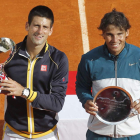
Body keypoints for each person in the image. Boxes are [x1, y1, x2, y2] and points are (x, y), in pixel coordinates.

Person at [0, 5, 69, 140]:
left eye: (45, 27)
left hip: (47, 135)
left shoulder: (58, 59)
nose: (40, 31)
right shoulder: (10, 54)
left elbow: (57, 103)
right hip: (13, 134)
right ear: (27, 26)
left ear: (51, 30)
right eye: (36, 25)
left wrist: (24, 92)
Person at [76, 9, 140, 140]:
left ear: (127, 32)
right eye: (110, 34)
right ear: (103, 34)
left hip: (133, 133)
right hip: (99, 133)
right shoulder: (89, 59)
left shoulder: (139, 57)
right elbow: (81, 86)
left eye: (119, 34)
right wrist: (86, 100)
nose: (115, 40)